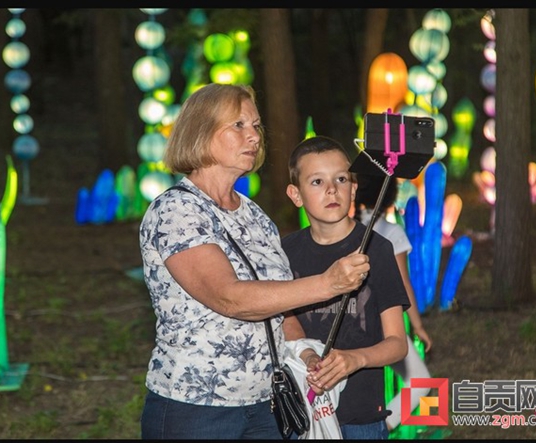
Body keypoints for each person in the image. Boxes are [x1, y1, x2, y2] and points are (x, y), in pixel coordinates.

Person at [138, 84, 370, 440]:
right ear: (201, 131)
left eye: (257, 126)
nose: (254, 137)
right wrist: (328, 284)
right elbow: (230, 298)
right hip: (196, 408)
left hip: (267, 403)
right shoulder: (175, 211)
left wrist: (307, 354)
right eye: (239, 126)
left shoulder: (255, 215)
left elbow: (278, 300)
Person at [281, 135, 409, 440]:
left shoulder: (377, 249)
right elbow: (285, 319)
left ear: (353, 187)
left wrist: (356, 359)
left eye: (340, 178)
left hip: (361, 414)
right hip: (302, 408)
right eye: (316, 182)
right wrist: (309, 356)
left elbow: (397, 343)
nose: (331, 189)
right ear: (295, 194)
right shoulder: (285, 252)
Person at [354, 173, 433, 433]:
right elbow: (404, 284)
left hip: (351, 321)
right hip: (385, 323)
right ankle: (382, 428)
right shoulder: (390, 231)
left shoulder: (348, 228)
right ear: (388, 196)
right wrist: (418, 326)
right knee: (420, 380)